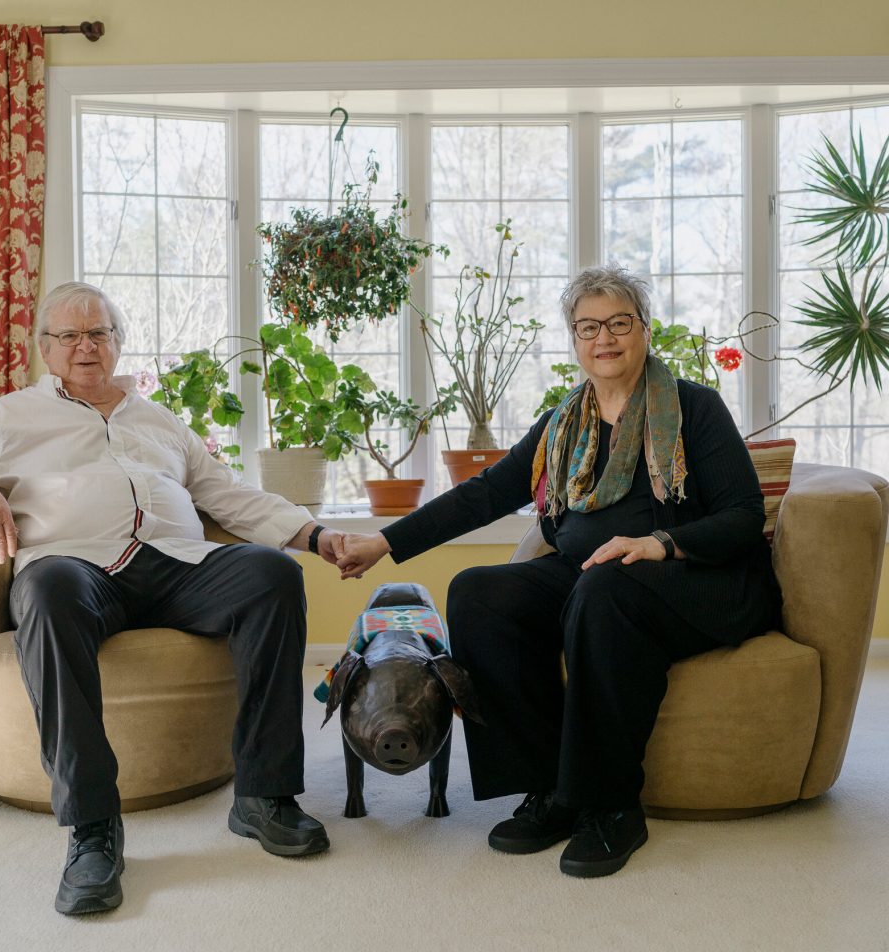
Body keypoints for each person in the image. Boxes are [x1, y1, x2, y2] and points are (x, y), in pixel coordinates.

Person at [0, 282, 347, 915]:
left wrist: (316, 536)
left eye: (98, 333)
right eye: (70, 335)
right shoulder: (8, 416)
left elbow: (227, 494)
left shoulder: (159, 421)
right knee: (46, 591)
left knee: (272, 575)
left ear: (117, 343)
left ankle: (264, 796)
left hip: (177, 565)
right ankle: (93, 827)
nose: (86, 346)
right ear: (45, 348)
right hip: (74, 567)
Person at [335, 266, 781, 879]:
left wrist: (660, 543)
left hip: (696, 580)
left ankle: (612, 804)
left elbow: (744, 515)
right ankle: (548, 789)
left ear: (644, 331)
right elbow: (484, 494)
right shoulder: (561, 424)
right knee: (478, 592)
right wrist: (383, 543)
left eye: (619, 322)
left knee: (604, 586)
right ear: (574, 340)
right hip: (594, 578)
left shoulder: (693, 408)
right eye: (588, 327)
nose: (605, 338)